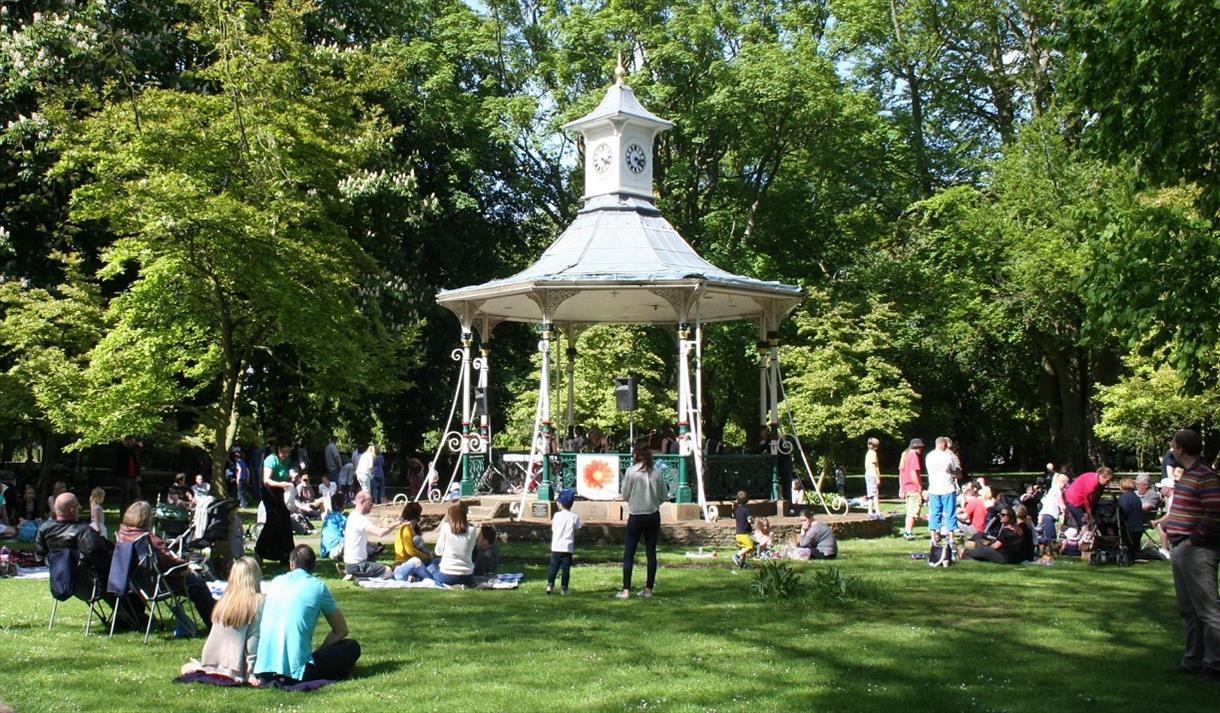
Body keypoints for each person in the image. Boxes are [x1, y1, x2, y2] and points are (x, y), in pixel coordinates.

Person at [255, 545, 360, 685]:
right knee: (352, 646)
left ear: (291, 564)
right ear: (313, 567)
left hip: (264, 670)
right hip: (297, 673)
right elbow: (341, 630)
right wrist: (320, 652)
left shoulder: (275, 582)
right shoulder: (318, 587)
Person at [1161, 429, 1220, 679]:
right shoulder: (1188, 475)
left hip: (1196, 549)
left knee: (1208, 610)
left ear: (1181, 449)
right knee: (1188, 609)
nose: (1172, 450)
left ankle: (1214, 664)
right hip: (1181, 547)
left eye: (1173, 446)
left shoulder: (1206, 476)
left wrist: (1193, 539)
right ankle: (1193, 660)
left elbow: (1215, 513)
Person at [116, 501, 215, 625]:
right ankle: (214, 625)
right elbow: (170, 561)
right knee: (198, 584)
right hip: (161, 583)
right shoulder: (147, 539)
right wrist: (186, 567)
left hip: (138, 584)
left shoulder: (122, 534)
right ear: (146, 518)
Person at [181, 556, 264, 685]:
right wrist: (251, 672)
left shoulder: (224, 601)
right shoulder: (256, 601)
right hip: (234, 668)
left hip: (210, 662)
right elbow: (252, 640)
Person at [35, 493, 115, 597]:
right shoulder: (84, 532)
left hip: (63, 582)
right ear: (72, 510)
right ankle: (134, 611)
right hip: (93, 585)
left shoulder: (44, 529)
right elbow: (103, 558)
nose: (79, 508)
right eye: (78, 506)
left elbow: (40, 557)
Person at [617, 444, 667, 599]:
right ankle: (648, 589)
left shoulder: (631, 472)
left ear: (635, 455)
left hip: (636, 515)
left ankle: (626, 590)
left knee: (629, 553)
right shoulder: (656, 473)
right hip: (653, 514)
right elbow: (664, 495)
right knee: (651, 552)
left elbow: (624, 494)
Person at [342, 491, 403, 580]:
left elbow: (356, 538)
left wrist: (372, 545)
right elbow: (380, 533)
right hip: (357, 565)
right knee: (388, 571)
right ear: (362, 502)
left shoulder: (352, 516)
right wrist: (395, 524)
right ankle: (358, 577)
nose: (372, 505)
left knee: (385, 566)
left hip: (350, 564)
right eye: (370, 503)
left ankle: (353, 574)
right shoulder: (360, 519)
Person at [256, 442, 296, 564]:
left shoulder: (287, 459)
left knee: (286, 523)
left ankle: (287, 555)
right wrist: (281, 484)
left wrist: (292, 475)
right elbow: (266, 480)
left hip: (280, 492)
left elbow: (287, 472)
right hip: (269, 492)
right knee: (272, 522)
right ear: (278, 449)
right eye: (284, 452)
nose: (286, 454)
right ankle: (259, 551)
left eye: (288, 452)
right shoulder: (271, 460)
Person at [432, 501, 478, 587]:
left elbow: (438, 551)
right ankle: (462, 584)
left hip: (447, 573)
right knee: (436, 563)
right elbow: (471, 549)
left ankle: (446, 584)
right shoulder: (472, 529)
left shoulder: (445, 527)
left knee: (434, 571)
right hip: (467, 574)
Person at [924, 437, 958, 547]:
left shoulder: (929, 456)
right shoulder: (947, 456)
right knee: (950, 513)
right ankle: (951, 537)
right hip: (947, 488)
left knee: (934, 513)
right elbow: (954, 470)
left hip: (934, 488)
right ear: (943, 444)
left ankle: (933, 538)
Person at [547, 489, 581, 595]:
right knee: (565, 569)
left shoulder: (556, 516)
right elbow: (579, 527)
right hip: (567, 547)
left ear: (560, 503)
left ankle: (550, 585)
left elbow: (553, 528)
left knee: (553, 567)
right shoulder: (574, 517)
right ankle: (564, 588)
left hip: (556, 546)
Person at [391, 501, 431, 581]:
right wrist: (427, 557)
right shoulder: (406, 529)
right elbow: (410, 551)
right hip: (401, 567)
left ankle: (415, 578)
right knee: (416, 561)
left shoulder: (412, 529)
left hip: (411, 566)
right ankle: (432, 580)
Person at [898, 438, 925, 539]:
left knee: (909, 511)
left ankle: (907, 530)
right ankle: (908, 532)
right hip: (913, 488)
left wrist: (901, 488)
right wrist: (919, 486)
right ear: (916, 446)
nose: (921, 449)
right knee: (914, 511)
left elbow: (901, 473)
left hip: (906, 487)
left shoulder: (905, 455)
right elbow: (913, 473)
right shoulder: (913, 455)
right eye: (920, 447)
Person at [1038, 473, 1070, 558]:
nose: (1067, 485)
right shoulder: (1056, 491)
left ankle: (1047, 554)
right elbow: (1061, 504)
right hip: (1048, 516)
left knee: (1050, 537)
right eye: (1066, 483)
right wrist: (1067, 510)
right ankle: (1047, 554)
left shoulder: (1053, 489)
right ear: (1062, 482)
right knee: (1051, 538)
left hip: (1047, 517)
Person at [114, 436, 142, 515]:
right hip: (124, 477)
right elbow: (129, 452)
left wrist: (138, 473)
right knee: (125, 497)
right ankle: (124, 515)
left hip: (133, 476)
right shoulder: (121, 449)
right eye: (132, 442)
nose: (133, 444)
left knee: (137, 496)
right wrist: (137, 446)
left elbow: (136, 461)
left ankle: (136, 514)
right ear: (127, 440)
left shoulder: (132, 451)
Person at [732, 490, 753, 567]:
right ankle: (736, 556)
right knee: (750, 546)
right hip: (744, 533)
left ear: (737, 501)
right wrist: (752, 521)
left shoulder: (737, 511)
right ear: (747, 501)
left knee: (743, 548)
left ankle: (742, 564)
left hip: (738, 533)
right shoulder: (746, 510)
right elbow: (750, 520)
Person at [863, 437, 882, 518]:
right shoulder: (873, 453)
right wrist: (877, 477)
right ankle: (877, 511)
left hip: (868, 475)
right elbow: (873, 466)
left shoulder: (869, 453)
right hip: (872, 475)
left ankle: (870, 511)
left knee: (871, 494)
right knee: (875, 494)